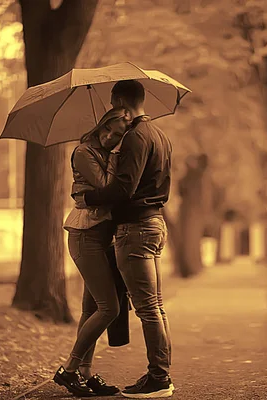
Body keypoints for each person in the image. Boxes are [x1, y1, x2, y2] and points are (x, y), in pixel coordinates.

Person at [77, 80, 174, 399]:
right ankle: (160, 375)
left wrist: (88, 197)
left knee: (148, 308)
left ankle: (159, 379)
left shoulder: (135, 137)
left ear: (120, 101)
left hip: (137, 228)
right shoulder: (160, 135)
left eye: (113, 104)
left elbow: (124, 189)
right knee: (154, 306)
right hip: (155, 222)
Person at [53, 107, 132, 397]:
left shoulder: (105, 152)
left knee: (91, 309)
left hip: (101, 237)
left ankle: (84, 373)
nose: (110, 137)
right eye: (108, 130)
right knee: (109, 308)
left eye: (118, 135)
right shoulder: (84, 152)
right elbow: (107, 187)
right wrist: (116, 155)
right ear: (101, 125)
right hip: (85, 236)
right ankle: (69, 370)